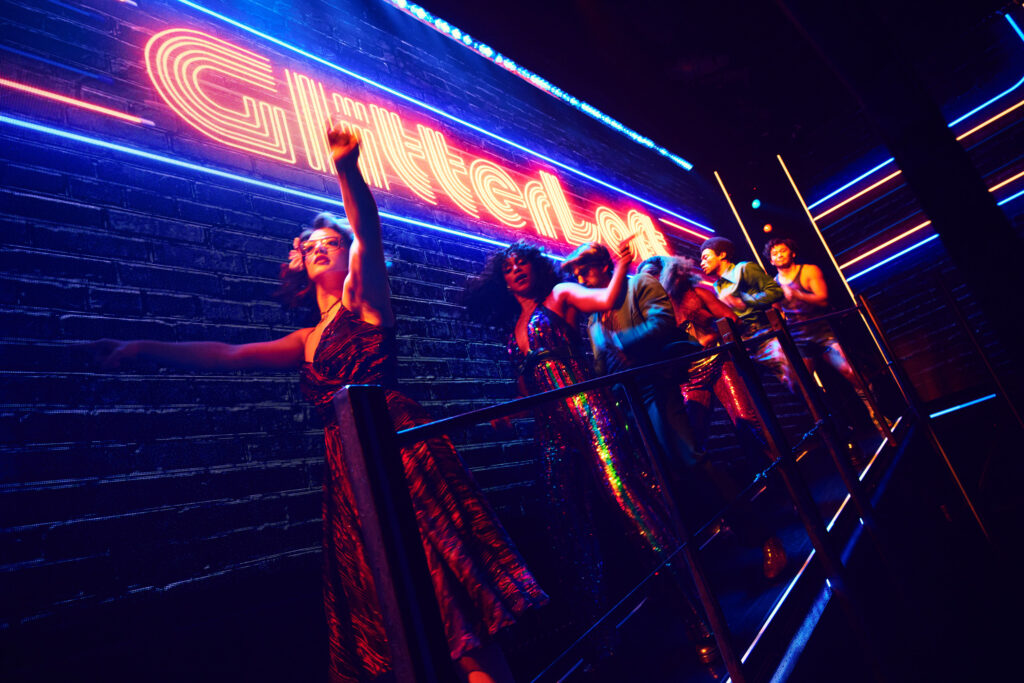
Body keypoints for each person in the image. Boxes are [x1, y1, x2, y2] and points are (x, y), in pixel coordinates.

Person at [89, 124, 547, 683]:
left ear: (346, 255)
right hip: (347, 465)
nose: (316, 248)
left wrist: (348, 170)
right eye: (309, 246)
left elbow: (368, 232)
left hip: (396, 448)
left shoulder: (365, 301)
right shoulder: (307, 338)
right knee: (392, 595)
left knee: (442, 579)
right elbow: (229, 354)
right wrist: (142, 348)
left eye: (329, 242)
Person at [464, 240, 717, 664]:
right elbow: (529, 379)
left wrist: (619, 265)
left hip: (590, 415)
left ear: (536, 268)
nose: (516, 271)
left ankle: (699, 612)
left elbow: (606, 298)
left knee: (631, 504)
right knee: (566, 525)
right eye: (508, 268)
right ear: (502, 281)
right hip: (551, 428)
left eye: (522, 263)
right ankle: (599, 641)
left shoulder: (559, 296)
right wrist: (509, 413)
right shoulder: (514, 325)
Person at [660, 256, 787, 579]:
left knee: (748, 423)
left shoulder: (698, 294)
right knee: (693, 444)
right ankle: (723, 515)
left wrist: (710, 336)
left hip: (719, 362)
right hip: (691, 378)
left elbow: (731, 319)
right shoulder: (659, 309)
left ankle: (788, 487)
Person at [764, 238, 894, 443]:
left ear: (792, 253)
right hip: (799, 339)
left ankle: (877, 414)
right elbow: (778, 311)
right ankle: (837, 431)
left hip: (823, 332)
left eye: (782, 251)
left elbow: (823, 298)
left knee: (851, 374)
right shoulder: (773, 283)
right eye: (774, 254)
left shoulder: (808, 271)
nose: (778, 255)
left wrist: (796, 293)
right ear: (770, 261)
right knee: (801, 386)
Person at [698, 236, 794, 390]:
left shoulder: (744, 269)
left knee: (795, 383)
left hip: (765, 337)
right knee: (753, 394)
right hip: (744, 344)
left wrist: (746, 301)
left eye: (706, 257)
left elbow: (776, 291)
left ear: (722, 255)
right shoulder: (717, 286)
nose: (702, 263)